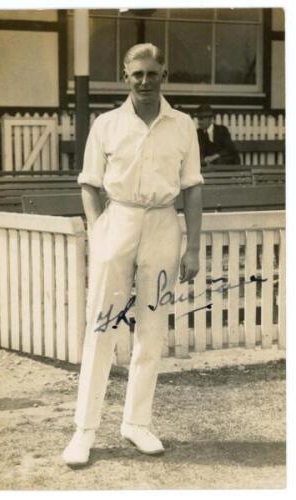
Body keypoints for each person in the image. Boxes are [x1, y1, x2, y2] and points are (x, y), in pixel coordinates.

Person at [62, 43, 204, 466]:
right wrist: (98, 230)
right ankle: (84, 430)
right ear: (125, 75)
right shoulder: (107, 124)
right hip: (118, 222)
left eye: (153, 73)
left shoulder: (182, 125)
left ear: (165, 74)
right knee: (102, 325)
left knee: (152, 328)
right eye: (137, 74)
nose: (145, 81)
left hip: (162, 225)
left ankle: (136, 422)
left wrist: (192, 246)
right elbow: (89, 183)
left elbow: (193, 187)